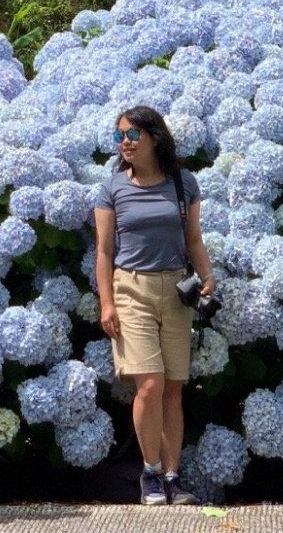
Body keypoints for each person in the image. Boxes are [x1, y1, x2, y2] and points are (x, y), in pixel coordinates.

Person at [91, 105, 217, 505]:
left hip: (176, 290)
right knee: (149, 383)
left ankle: (173, 476)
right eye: (119, 136)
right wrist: (107, 303)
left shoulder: (183, 183)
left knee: (173, 389)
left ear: (154, 138)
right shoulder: (112, 189)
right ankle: (149, 474)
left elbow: (193, 239)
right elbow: (104, 251)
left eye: (131, 135)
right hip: (131, 290)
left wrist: (207, 277)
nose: (124, 142)